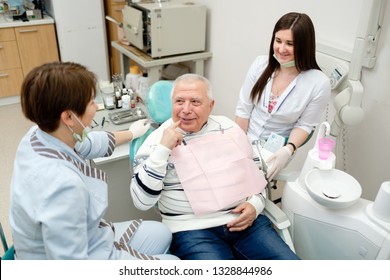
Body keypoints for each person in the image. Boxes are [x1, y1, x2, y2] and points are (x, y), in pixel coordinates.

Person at [9, 61, 178, 260]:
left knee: (163, 233)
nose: (96, 107)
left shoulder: (38, 135)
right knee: (173, 263)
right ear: (69, 117)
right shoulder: (60, 186)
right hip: (78, 259)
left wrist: (131, 133)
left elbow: (88, 142)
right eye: (91, 102)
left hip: (89, 236)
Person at [130, 73, 299, 260]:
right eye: (179, 101)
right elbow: (142, 202)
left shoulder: (228, 129)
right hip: (191, 229)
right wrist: (162, 150)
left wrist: (256, 204)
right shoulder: (155, 143)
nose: (186, 109)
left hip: (245, 222)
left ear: (211, 105)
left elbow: (256, 175)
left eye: (195, 101)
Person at [235, 12, 331, 181]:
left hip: (277, 150)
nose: (281, 49)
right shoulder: (260, 64)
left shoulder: (318, 83)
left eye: (290, 43)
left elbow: (305, 124)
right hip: (244, 137)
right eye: (278, 41)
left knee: (247, 183)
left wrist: (288, 150)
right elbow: (244, 109)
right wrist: (238, 144)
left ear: (304, 46)